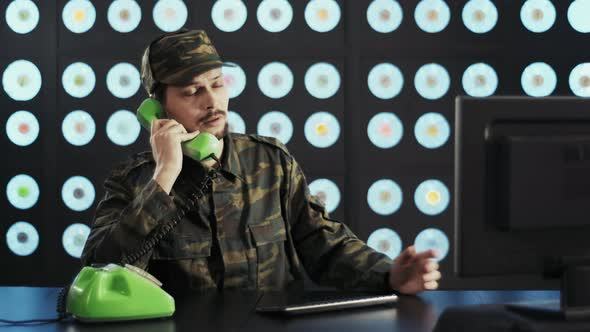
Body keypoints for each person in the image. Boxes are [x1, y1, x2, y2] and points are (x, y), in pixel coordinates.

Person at [80, 29, 441, 297]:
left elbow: (322, 243)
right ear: (158, 108)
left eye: (218, 84)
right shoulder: (133, 181)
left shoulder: (271, 162)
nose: (211, 101)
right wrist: (166, 177)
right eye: (191, 91)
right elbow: (101, 267)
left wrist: (388, 275)